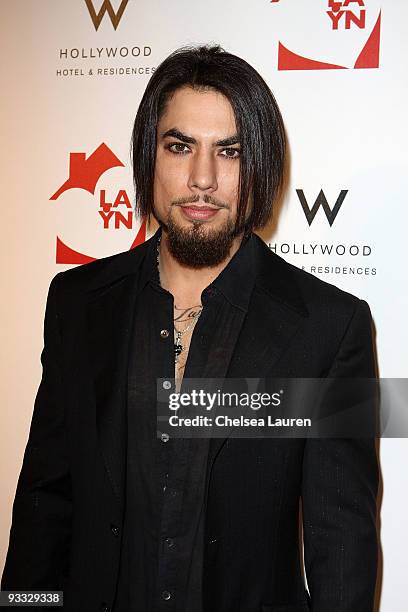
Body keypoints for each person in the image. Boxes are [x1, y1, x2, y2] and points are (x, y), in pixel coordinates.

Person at [2, 45, 379, 612]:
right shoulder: (79, 304)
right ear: (147, 157)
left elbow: (341, 546)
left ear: (260, 169)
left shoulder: (330, 327)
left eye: (229, 151)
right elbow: (44, 506)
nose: (202, 179)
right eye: (180, 147)